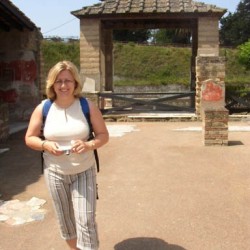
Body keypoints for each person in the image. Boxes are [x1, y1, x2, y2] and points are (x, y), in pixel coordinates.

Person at [25, 60, 109, 250]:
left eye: (68, 81)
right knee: (66, 222)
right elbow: (30, 138)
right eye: (59, 81)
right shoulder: (44, 108)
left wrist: (88, 145)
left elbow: (104, 136)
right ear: (52, 84)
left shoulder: (87, 106)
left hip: (84, 171)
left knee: (86, 219)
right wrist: (45, 144)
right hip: (55, 173)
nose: (63, 85)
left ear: (75, 83)